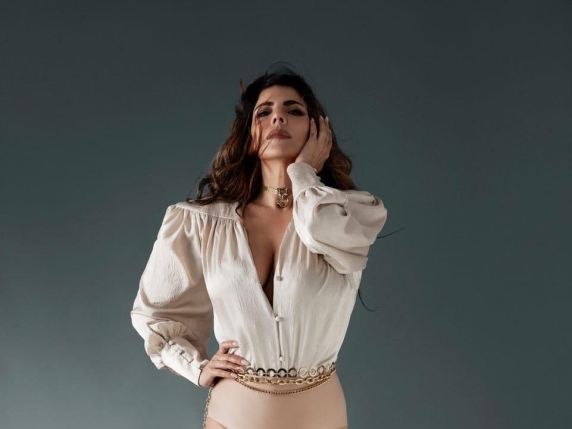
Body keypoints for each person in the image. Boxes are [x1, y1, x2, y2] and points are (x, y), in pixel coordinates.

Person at [130, 66, 389, 429]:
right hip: (230, 415)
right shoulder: (200, 222)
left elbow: (320, 228)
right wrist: (196, 366)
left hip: (320, 417)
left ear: (318, 132)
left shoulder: (350, 214)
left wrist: (303, 173)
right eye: (264, 112)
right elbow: (156, 312)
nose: (278, 117)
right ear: (248, 135)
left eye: (293, 110)